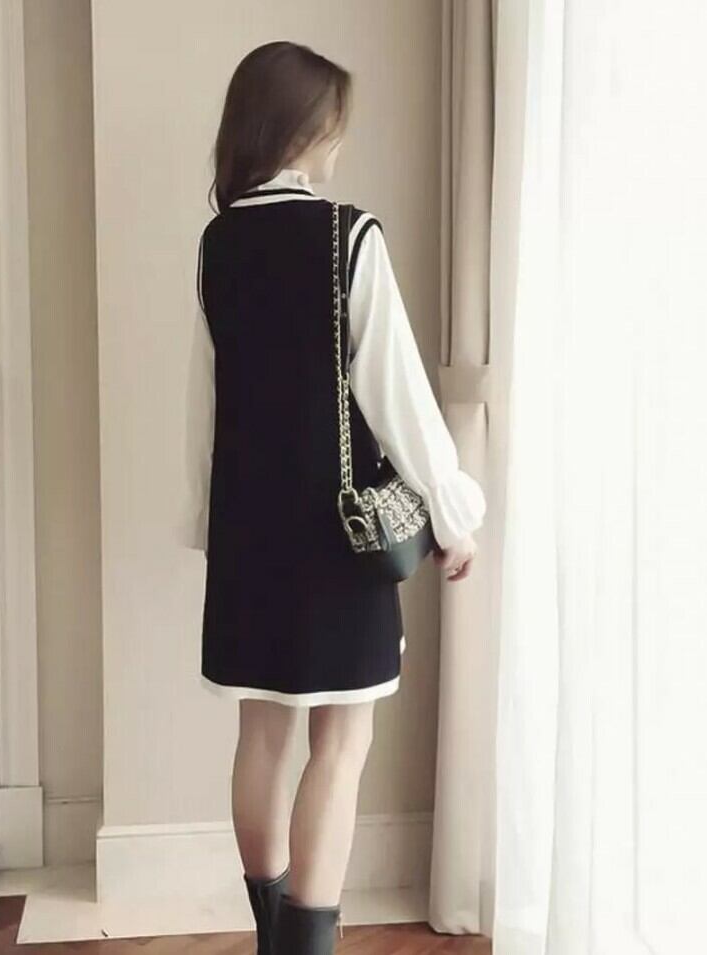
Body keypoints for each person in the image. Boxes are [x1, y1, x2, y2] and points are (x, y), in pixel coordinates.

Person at [179, 40, 487, 955]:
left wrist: (207, 522)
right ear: (307, 128)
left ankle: (275, 935)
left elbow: (204, 404)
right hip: (337, 535)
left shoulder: (218, 244)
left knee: (262, 737)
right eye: (334, 123)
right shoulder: (347, 235)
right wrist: (452, 511)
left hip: (248, 532)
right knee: (341, 747)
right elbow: (398, 396)